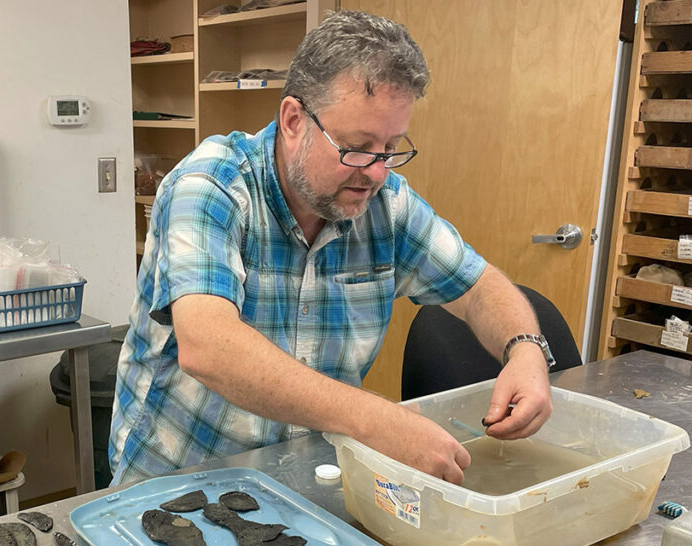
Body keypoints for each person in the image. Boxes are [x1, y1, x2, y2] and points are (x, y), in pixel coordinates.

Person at [109, 10, 554, 487]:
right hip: (174, 482)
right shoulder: (211, 185)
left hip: (300, 477)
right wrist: (377, 421)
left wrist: (525, 350)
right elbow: (208, 347)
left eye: (389, 148)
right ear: (294, 119)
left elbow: (478, 285)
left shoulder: (387, 203)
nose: (377, 172)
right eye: (358, 147)